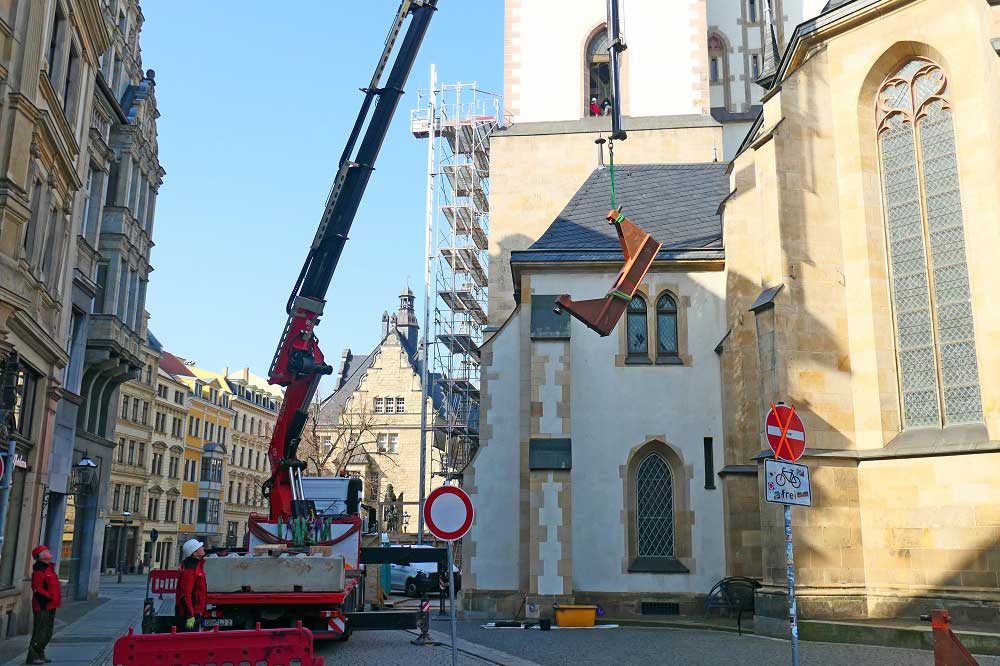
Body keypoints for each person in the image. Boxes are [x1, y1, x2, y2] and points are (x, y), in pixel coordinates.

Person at [27, 545, 60, 664]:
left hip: (52, 604)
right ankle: (33, 656)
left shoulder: (49, 569)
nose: (49, 553)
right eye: (46, 551)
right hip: (42, 605)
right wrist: (49, 597)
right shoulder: (39, 571)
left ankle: (40, 653)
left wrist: (55, 599)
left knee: (48, 632)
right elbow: (37, 588)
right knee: (40, 631)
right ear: (41, 556)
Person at [176, 539, 207, 632]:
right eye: (200, 547)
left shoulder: (195, 565)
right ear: (194, 552)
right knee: (187, 637)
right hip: (189, 613)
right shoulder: (190, 570)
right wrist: (190, 615)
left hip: (194, 610)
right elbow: (186, 594)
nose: (203, 548)